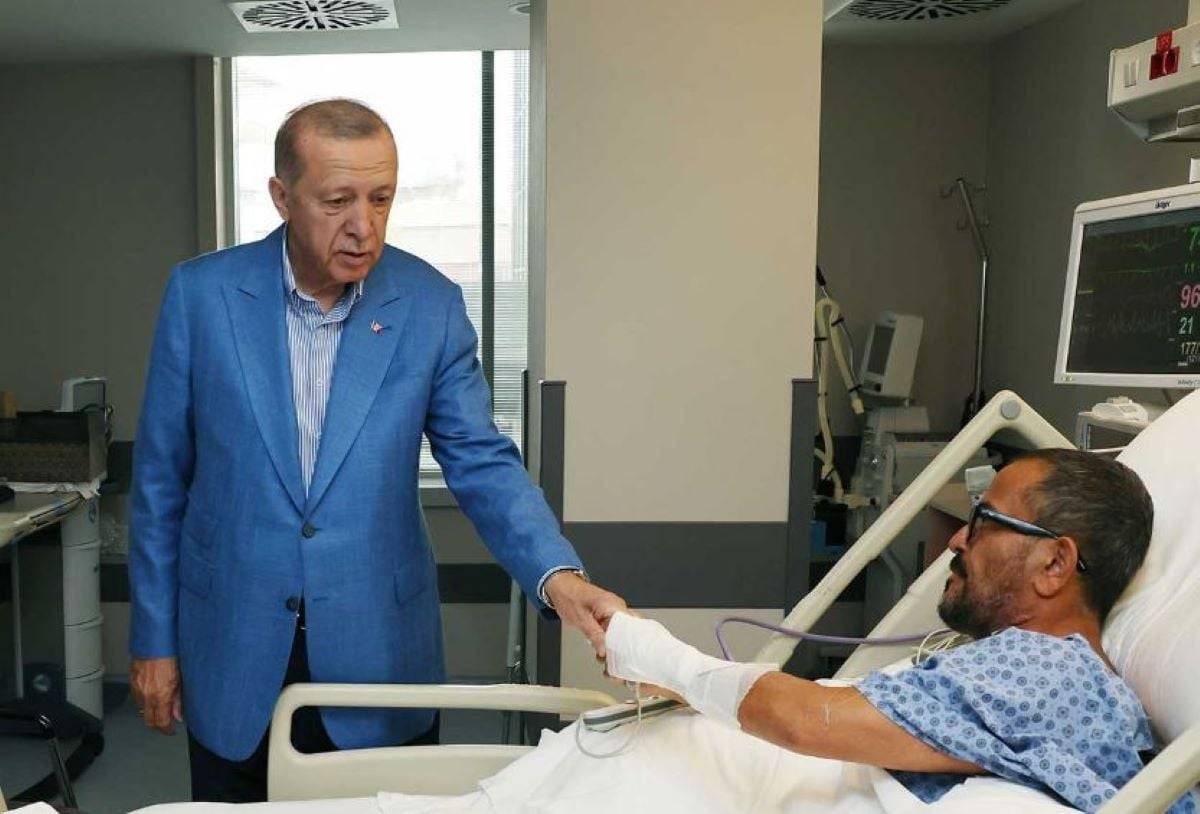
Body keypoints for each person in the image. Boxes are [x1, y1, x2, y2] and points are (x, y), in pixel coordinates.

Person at [128, 98, 626, 803]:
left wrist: (558, 576)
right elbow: (158, 484)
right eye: (337, 201)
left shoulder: (429, 304)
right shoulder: (201, 296)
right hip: (233, 644)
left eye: (381, 198)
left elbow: (481, 460)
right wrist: (154, 640)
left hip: (380, 650)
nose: (364, 227)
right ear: (282, 197)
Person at [604, 449, 1196, 814]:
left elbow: (805, 720)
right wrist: (685, 688)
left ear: (1055, 564)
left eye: (983, 522)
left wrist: (647, 651)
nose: (957, 540)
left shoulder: (1046, 670)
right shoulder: (1043, 675)